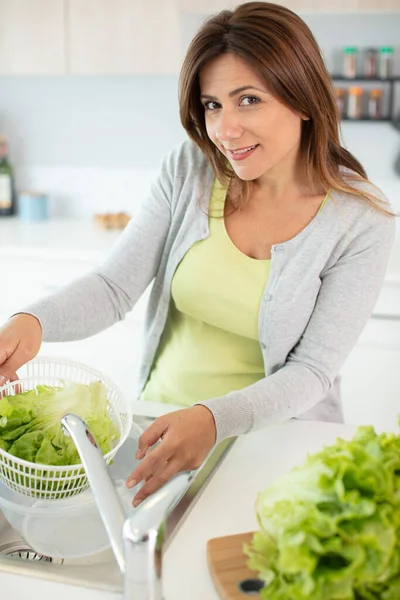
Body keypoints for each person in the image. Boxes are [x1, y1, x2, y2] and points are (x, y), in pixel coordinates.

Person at [0, 2, 395, 507]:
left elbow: (312, 372)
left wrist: (213, 419)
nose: (225, 129)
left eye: (248, 99)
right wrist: (33, 321)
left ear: (303, 99)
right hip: (159, 425)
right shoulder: (191, 169)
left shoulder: (361, 219)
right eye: (212, 105)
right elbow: (115, 286)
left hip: (274, 444)